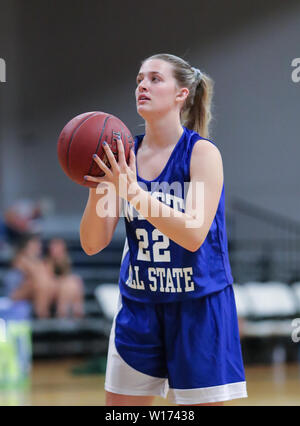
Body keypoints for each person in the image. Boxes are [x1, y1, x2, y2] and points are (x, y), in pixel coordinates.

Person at [80, 53, 247, 406]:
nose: (142, 85)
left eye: (155, 78)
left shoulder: (201, 154)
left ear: (181, 94)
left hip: (198, 304)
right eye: (140, 78)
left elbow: (193, 232)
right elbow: (92, 244)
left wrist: (134, 193)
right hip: (139, 305)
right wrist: (99, 187)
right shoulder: (121, 157)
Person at [3, 233, 57, 318]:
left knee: (51, 283)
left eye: (38, 243)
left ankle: (47, 313)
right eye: (35, 243)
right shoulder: (20, 259)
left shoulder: (39, 260)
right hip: (15, 293)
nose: (38, 245)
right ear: (26, 245)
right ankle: (41, 314)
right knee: (41, 282)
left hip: (35, 290)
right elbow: (35, 273)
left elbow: (49, 274)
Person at [44, 237, 84, 318]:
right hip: (50, 286)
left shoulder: (65, 259)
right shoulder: (47, 261)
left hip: (63, 285)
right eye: (55, 246)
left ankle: (77, 311)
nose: (56, 249)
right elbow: (49, 276)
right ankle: (61, 313)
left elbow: (66, 274)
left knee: (75, 282)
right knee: (65, 286)